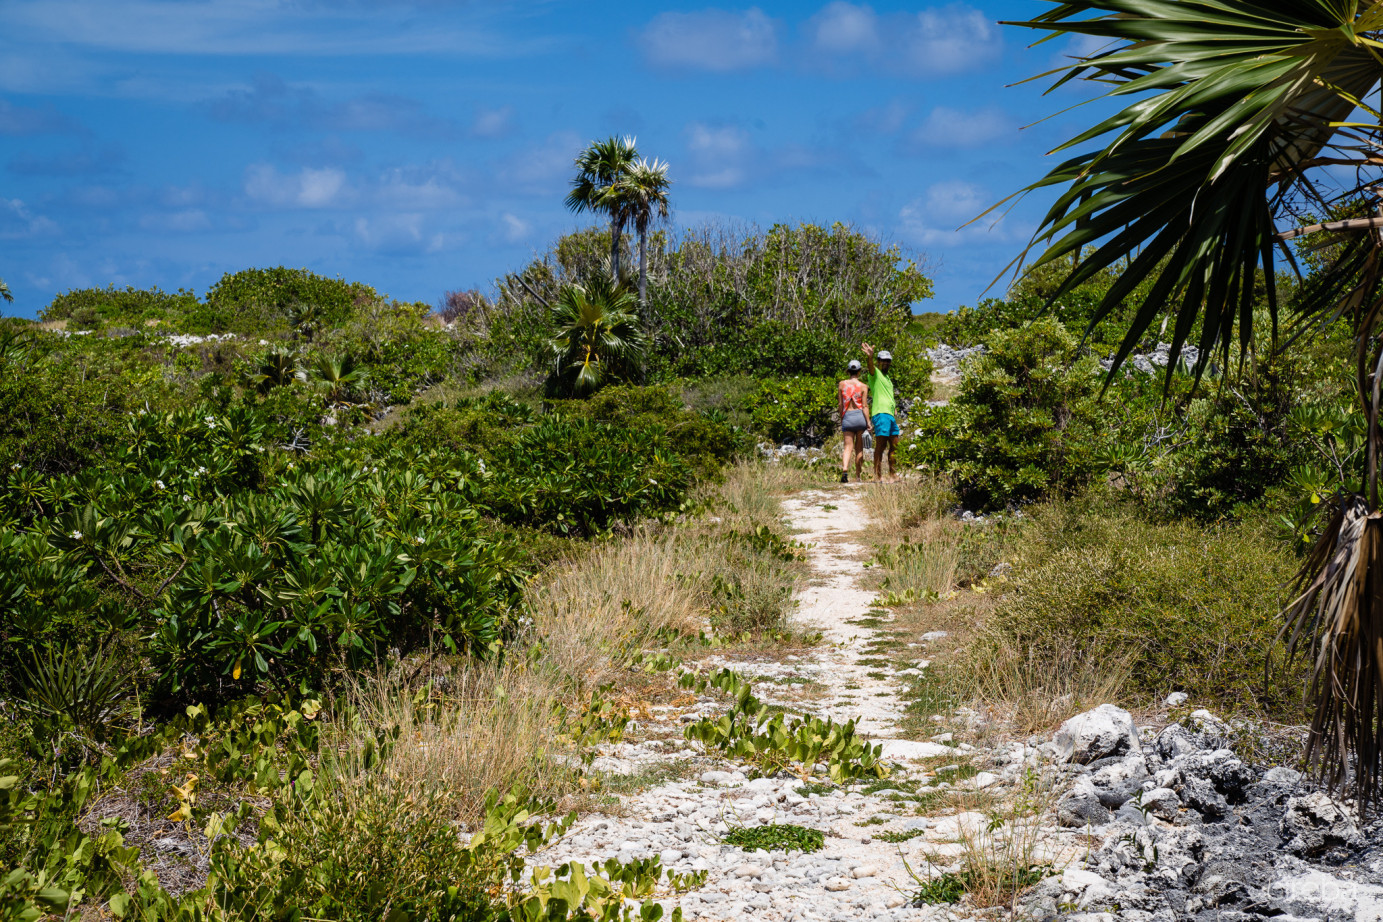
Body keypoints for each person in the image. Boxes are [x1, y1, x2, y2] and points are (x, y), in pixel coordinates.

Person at [862, 342, 900, 483]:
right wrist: (870, 357)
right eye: (883, 360)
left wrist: (894, 407)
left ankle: (893, 474)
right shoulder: (875, 374)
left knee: (895, 445)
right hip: (880, 414)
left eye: (888, 361)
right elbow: (870, 367)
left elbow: (889, 395)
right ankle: (877, 476)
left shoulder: (888, 379)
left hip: (890, 415)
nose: (885, 363)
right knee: (881, 446)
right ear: (878, 362)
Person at [838, 359, 872, 483]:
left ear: (848, 371)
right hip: (860, 417)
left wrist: (842, 417)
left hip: (848, 415)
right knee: (859, 448)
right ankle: (858, 477)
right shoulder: (863, 386)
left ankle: (845, 470)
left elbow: (840, 404)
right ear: (859, 372)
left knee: (847, 447)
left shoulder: (842, 384)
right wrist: (868, 422)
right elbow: (864, 406)